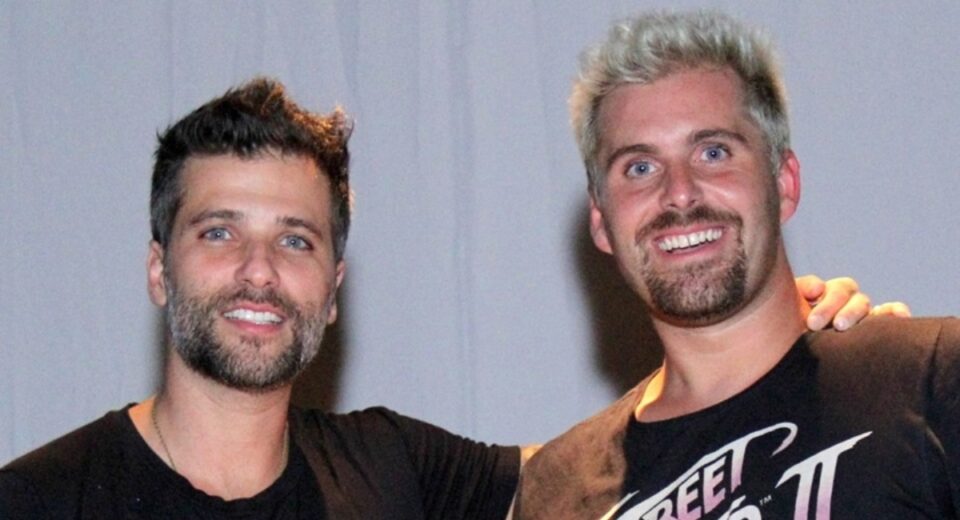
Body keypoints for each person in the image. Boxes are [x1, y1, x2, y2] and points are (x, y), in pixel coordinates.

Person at [0, 78, 894, 518]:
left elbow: (623, 459)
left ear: (335, 288)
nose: (260, 272)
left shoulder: (395, 471)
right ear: (159, 268)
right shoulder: (38, 500)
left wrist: (766, 342)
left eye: (297, 239)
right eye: (220, 233)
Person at [513, 10, 959, 519]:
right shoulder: (558, 491)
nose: (679, 193)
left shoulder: (929, 377)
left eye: (713, 152)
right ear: (601, 223)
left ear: (784, 184)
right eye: (640, 167)